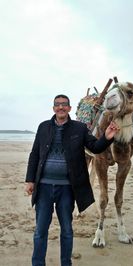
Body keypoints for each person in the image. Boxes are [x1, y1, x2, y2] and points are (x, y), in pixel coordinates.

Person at [25, 94, 119, 266]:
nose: (61, 107)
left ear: (69, 108)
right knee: (40, 231)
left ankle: (65, 263)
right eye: (57, 104)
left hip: (67, 188)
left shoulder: (80, 128)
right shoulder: (43, 127)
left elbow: (95, 148)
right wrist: (30, 180)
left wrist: (107, 137)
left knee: (67, 230)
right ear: (53, 108)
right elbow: (35, 154)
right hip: (44, 186)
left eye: (64, 104)